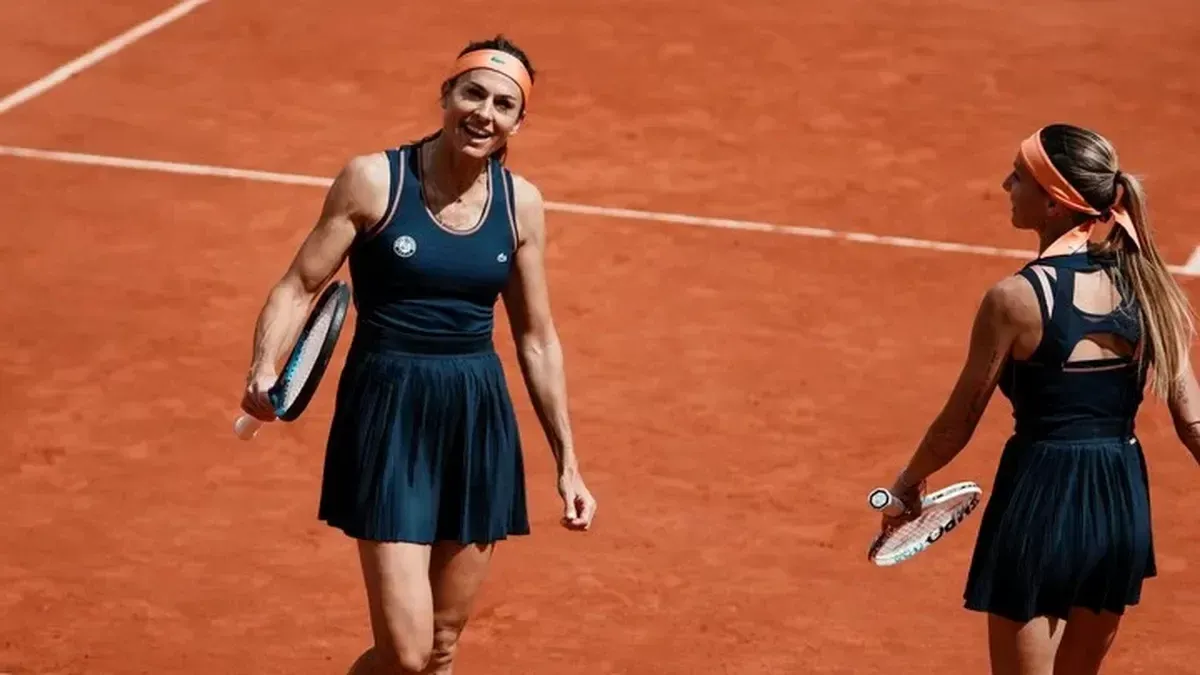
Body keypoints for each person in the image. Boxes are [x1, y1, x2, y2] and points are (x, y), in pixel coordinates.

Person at [239, 35, 597, 674]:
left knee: (440, 648)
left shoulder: (522, 205)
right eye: (473, 93)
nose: (485, 113)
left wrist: (567, 461)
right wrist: (265, 365)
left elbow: (536, 337)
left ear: (519, 121)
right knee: (405, 654)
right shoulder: (374, 180)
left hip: (476, 415)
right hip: (390, 411)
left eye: (504, 104)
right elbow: (299, 286)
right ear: (446, 96)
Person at [879, 123, 1200, 674]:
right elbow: (1194, 421)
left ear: (1053, 204)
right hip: (1119, 502)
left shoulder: (1016, 299)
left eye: (1019, 177)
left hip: (1040, 500)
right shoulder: (1150, 287)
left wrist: (905, 488)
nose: (1006, 184)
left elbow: (957, 424)